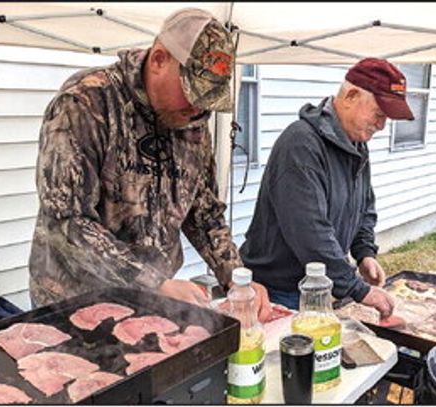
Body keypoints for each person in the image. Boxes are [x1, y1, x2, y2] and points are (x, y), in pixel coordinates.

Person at [28, 7, 271, 321]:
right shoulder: (85, 103)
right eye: (192, 93)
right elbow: (68, 223)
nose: (199, 109)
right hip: (78, 305)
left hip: (153, 303)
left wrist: (237, 279)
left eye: (207, 99)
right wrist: (153, 282)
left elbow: (205, 213)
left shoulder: (193, 119)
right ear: (159, 59)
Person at [239, 58, 415, 318]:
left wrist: (364, 252)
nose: (381, 126)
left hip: (317, 284)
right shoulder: (301, 144)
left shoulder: (356, 146)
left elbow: (364, 207)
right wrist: (359, 289)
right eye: (378, 114)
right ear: (350, 96)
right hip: (277, 289)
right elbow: (310, 231)